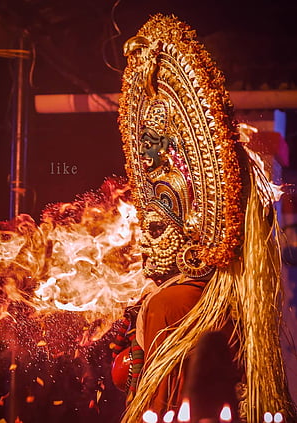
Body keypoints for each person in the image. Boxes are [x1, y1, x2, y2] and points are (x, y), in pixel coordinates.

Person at [111, 13, 297, 422]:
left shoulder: (174, 301)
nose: (142, 241)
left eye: (156, 228)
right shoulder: (205, 300)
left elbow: (153, 407)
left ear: (194, 234)